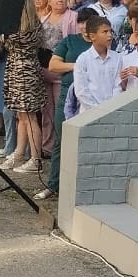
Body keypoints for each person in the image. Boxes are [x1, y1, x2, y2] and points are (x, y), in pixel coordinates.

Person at [41, 19, 96, 201]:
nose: (84, 27)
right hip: (67, 94)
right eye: (82, 23)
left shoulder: (100, 44)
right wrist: (77, 66)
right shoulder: (70, 41)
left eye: (88, 23)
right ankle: (53, 184)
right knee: (61, 138)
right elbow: (54, 65)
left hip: (91, 96)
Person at [0, 0, 46, 173]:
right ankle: (19, 153)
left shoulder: (27, 30)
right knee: (21, 115)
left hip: (25, 73)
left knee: (29, 117)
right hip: (16, 70)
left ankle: (36, 159)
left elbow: (7, 39)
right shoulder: (23, 27)